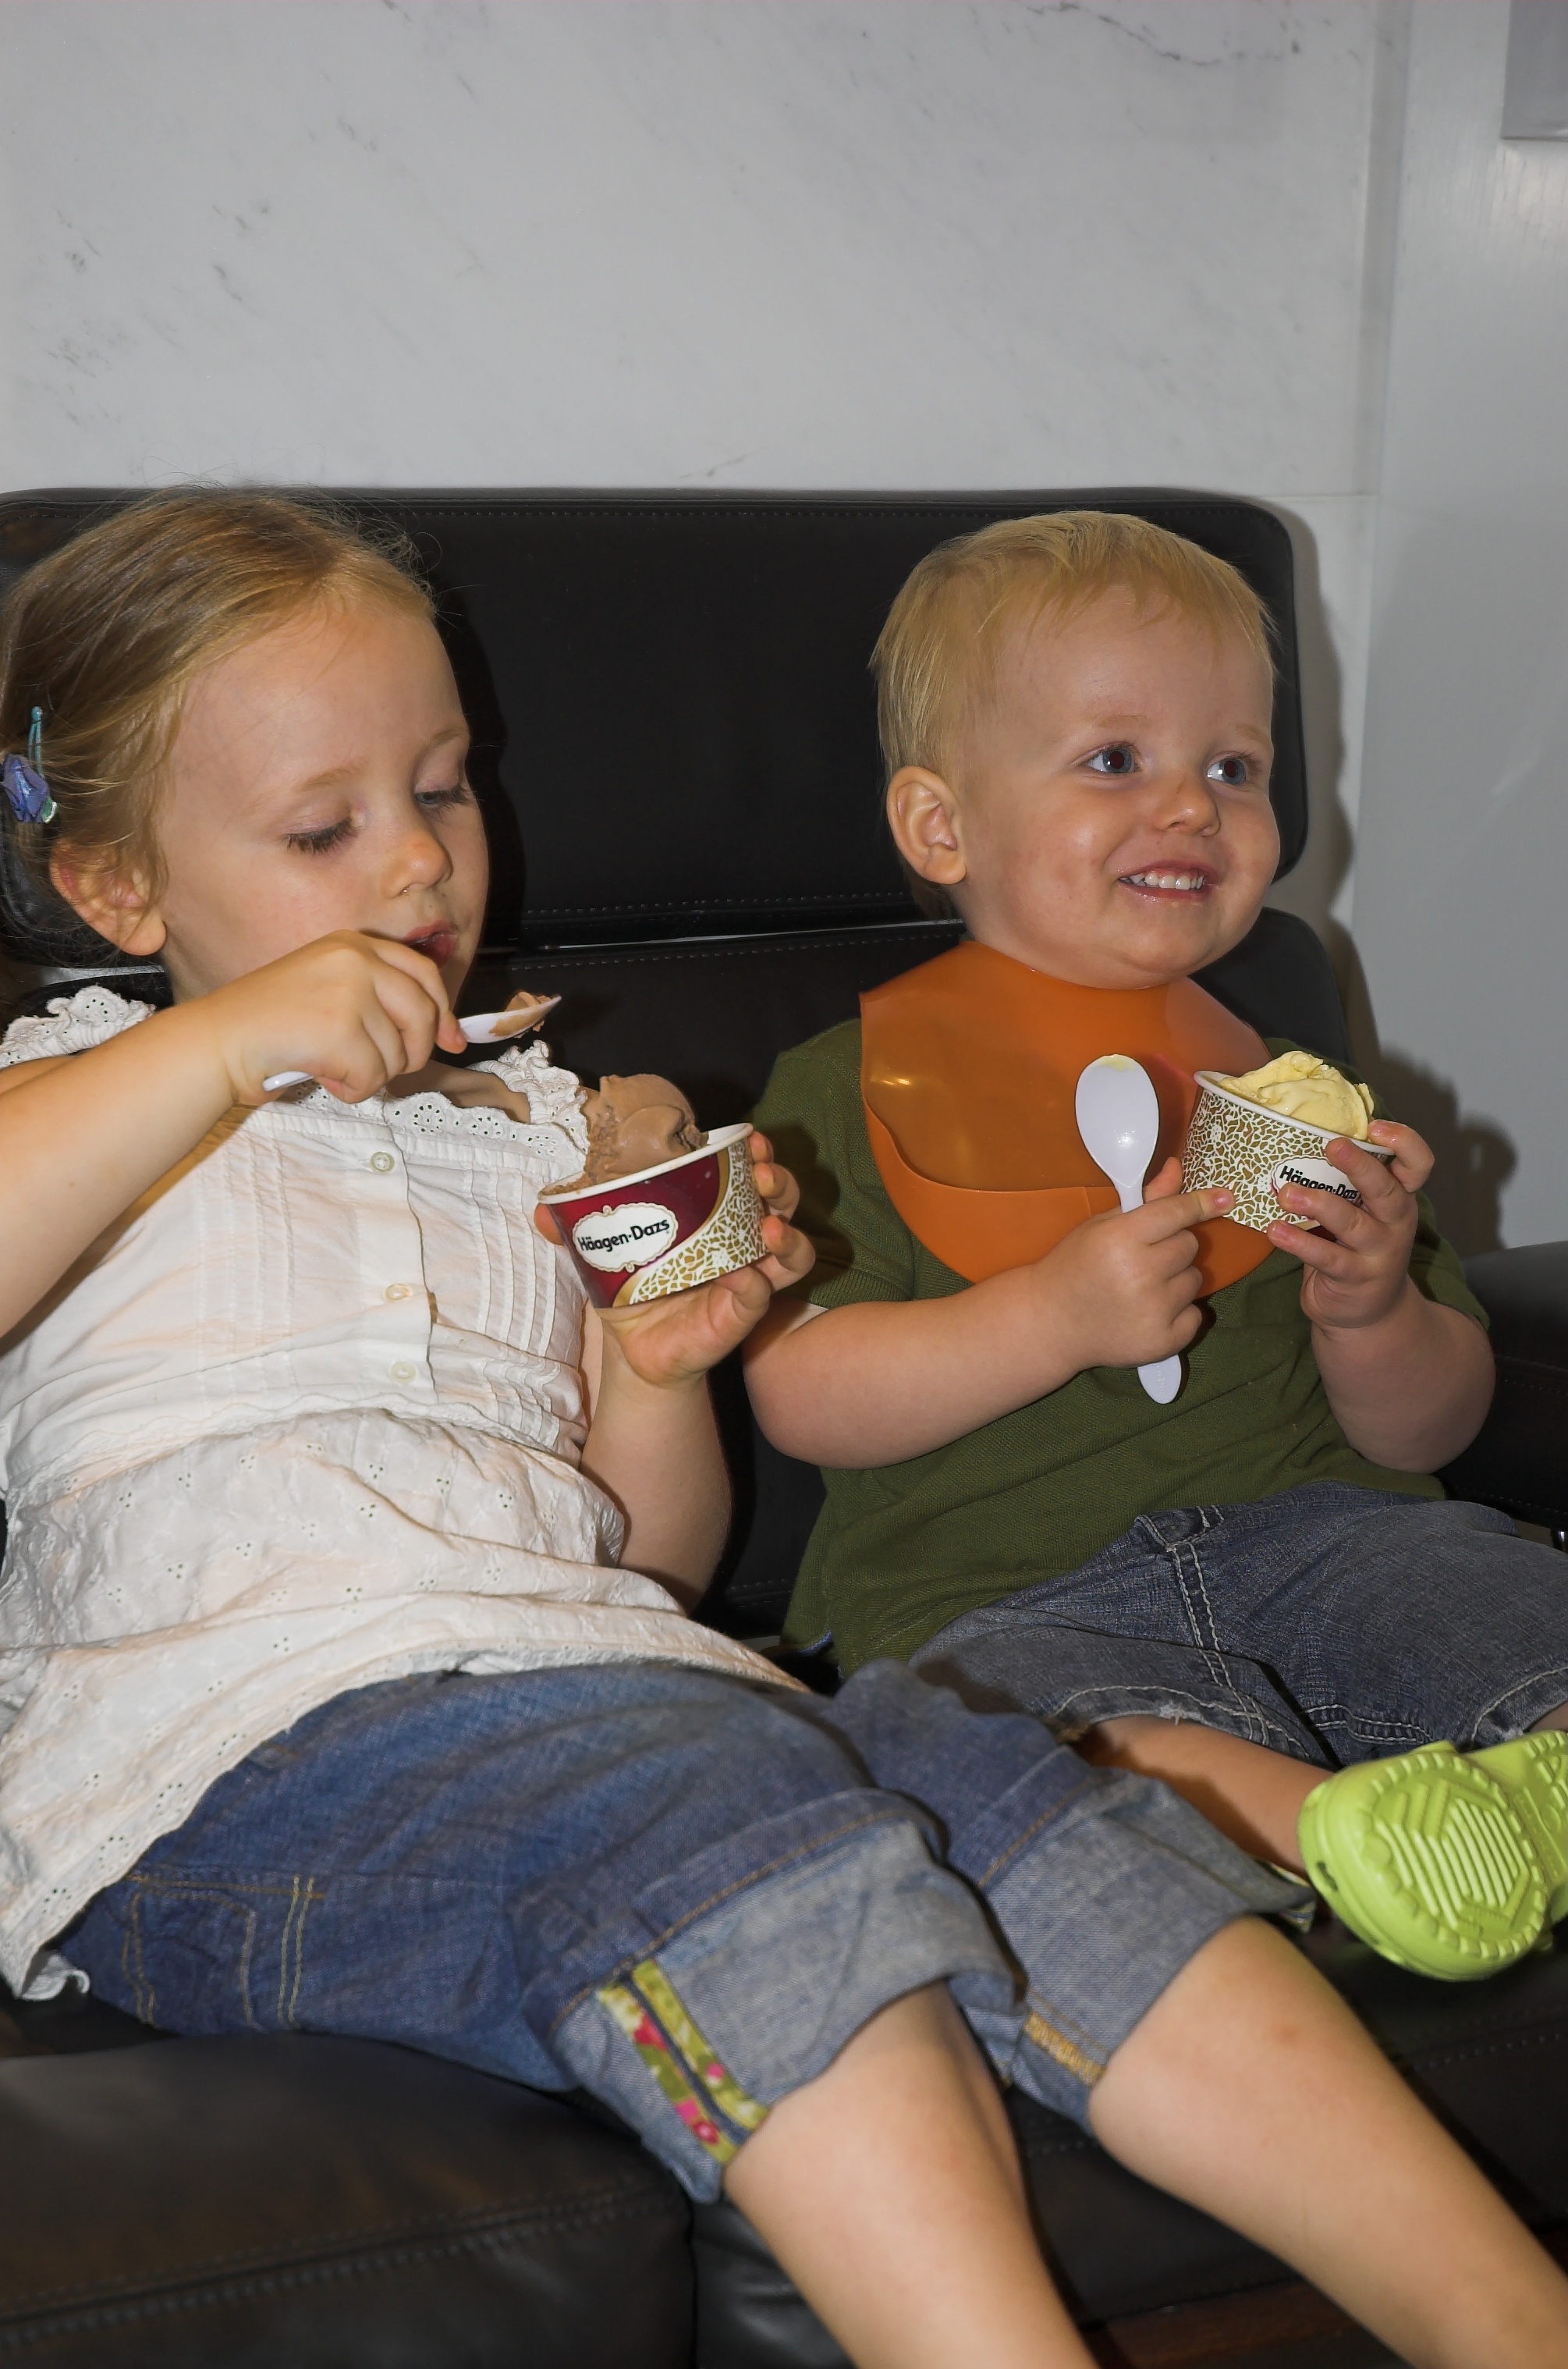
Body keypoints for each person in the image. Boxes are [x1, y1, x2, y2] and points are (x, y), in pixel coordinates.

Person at [0, 492, 1562, 2369]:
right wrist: (216, 1044)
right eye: (324, 829)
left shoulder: (546, 1135)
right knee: (717, 1814)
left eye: (443, 790)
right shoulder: (68, 1093)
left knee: (1001, 1793)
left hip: (602, 1676)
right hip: (226, 1754)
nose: (417, 862)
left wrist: (661, 1365)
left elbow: (647, 1563)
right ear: (119, 892)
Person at [746, 508, 1568, 1985]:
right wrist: (1046, 1319)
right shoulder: (836, 1091)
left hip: (1332, 1541)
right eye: (1114, 759)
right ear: (940, 827)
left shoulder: (1291, 1086)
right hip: (1001, 1598)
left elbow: (1434, 1425)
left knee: (1501, 1604)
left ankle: (1494, 1804)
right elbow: (801, 1395)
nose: (1191, 804)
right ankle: (1347, 1839)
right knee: (1048, 1741)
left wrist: (1371, 1307)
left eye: (1233, 767)